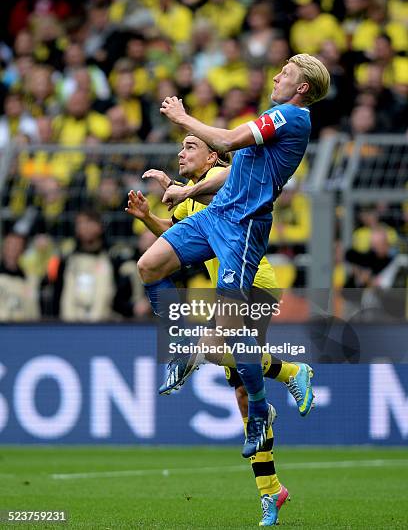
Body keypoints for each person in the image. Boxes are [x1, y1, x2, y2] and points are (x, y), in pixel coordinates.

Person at [137, 54, 329, 475]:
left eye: (287, 74)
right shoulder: (272, 117)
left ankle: (263, 413)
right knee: (149, 266)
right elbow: (231, 170)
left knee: (221, 345)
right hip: (217, 215)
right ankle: (182, 349)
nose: (277, 76)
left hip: (243, 229)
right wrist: (187, 192)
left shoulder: (292, 118)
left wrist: (184, 118)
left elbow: (224, 145)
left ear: (302, 88)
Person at [127, 133, 315, 525]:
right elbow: (178, 238)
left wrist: (181, 190)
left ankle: (291, 371)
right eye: (181, 147)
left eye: (190, 146)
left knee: (208, 349)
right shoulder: (192, 195)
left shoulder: (232, 179)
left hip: (255, 285)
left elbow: (218, 197)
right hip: (226, 291)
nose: (181, 152)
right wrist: (148, 216)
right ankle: (271, 492)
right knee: (245, 397)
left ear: (213, 155)